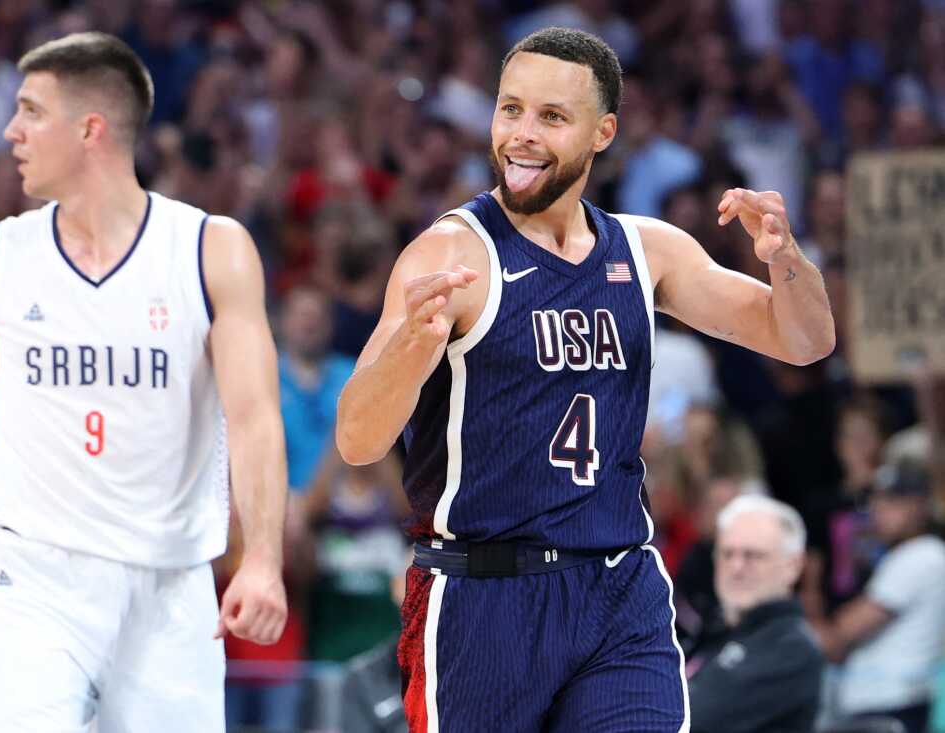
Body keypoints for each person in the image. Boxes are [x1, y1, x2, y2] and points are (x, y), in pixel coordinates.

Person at [336, 27, 835, 732]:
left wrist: (787, 260)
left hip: (616, 585)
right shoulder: (451, 253)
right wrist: (406, 354)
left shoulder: (645, 248)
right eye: (510, 109)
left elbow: (806, 340)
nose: (522, 135)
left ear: (603, 132)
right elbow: (358, 440)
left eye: (551, 116)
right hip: (486, 592)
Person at [0, 32, 288, 732]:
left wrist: (263, 556)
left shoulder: (210, 249)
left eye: (30, 111)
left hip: (170, 581)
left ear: (91, 129)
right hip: (31, 572)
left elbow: (257, 416)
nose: (9, 129)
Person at [814, 461, 945, 733]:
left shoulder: (922, 554)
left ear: (918, 505)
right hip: (880, 706)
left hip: (894, 706)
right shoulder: (901, 555)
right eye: (877, 500)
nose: (878, 510)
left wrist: (808, 587)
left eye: (893, 501)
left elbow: (839, 635)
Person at [687, 495, 824, 733]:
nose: (736, 567)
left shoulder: (792, 648)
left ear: (793, 566)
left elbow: (693, 718)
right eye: (727, 554)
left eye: (753, 555)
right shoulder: (711, 632)